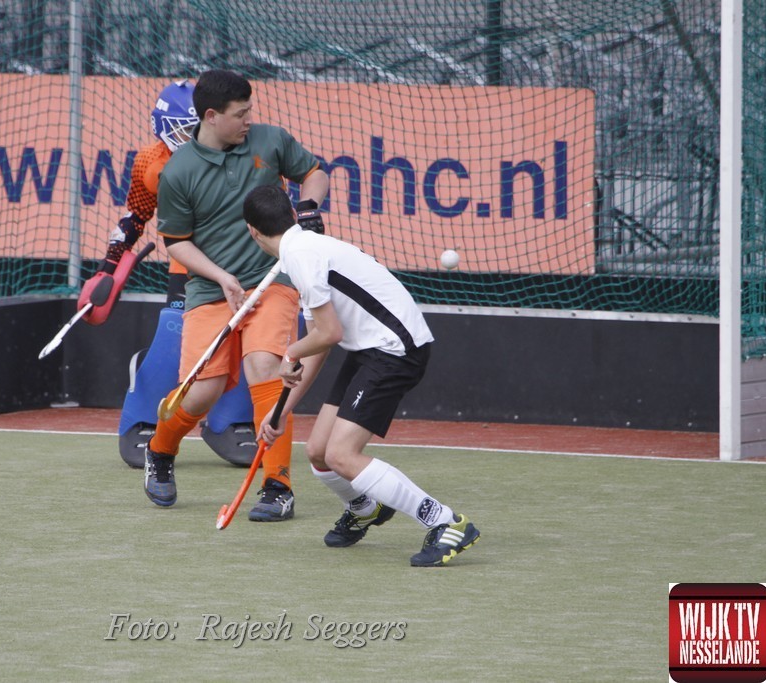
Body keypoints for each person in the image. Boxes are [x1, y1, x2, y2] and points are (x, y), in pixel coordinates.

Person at [241, 184, 480, 566]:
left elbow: (328, 334)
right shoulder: (303, 250)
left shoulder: (301, 256)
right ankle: (365, 508)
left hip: (395, 350)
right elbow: (320, 342)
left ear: (252, 231)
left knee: (341, 454)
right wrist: (281, 411)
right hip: (369, 348)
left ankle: (445, 522)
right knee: (319, 452)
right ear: (292, 214)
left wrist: (291, 352)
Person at [144, 69, 330, 521]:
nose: (249, 120)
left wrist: (307, 208)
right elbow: (177, 243)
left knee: (266, 367)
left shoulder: (270, 140)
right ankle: (160, 450)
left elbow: (314, 173)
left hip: (273, 281)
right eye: (240, 114)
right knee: (200, 393)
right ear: (211, 116)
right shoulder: (178, 171)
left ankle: (277, 486)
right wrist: (222, 277)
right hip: (211, 290)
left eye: (250, 111)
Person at [74, 80, 256, 469]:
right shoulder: (149, 162)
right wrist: (109, 266)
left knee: (247, 338)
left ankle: (230, 421)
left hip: (245, 260)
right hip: (188, 262)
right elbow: (135, 215)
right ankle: (143, 417)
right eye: (185, 128)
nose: (193, 135)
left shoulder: (247, 153)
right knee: (176, 335)